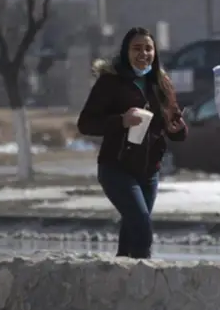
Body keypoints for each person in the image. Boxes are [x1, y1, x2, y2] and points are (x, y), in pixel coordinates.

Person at [77, 27, 188, 259]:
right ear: (126, 52)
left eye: (148, 48)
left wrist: (178, 129)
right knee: (142, 227)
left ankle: (122, 274)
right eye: (137, 48)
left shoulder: (161, 83)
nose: (143, 54)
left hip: (149, 171)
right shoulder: (111, 82)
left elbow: (174, 123)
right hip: (116, 168)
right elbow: (86, 124)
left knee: (132, 231)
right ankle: (142, 274)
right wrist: (121, 121)